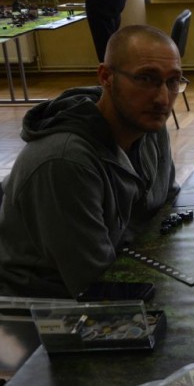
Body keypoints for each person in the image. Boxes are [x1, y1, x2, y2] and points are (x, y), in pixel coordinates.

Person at [0, 25, 183, 298]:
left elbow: (164, 208)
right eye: (146, 79)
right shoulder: (65, 161)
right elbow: (97, 287)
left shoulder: (149, 126)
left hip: (118, 271)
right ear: (106, 77)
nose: (162, 99)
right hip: (46, 304)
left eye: (173, 82)